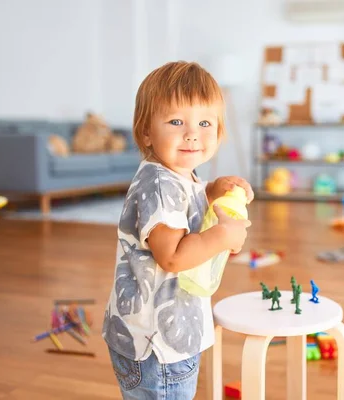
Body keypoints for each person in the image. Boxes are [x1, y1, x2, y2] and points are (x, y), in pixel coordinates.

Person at [102, 61, 254, 399]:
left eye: (204, 123)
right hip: (158, 345)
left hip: (158, 334)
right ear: (146, 132)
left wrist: (213, 189)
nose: (192, 134)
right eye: (175, 122)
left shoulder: (176, 175)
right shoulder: (159, 185)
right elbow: (171, 256)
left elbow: (187, 208)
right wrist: (222, 236)